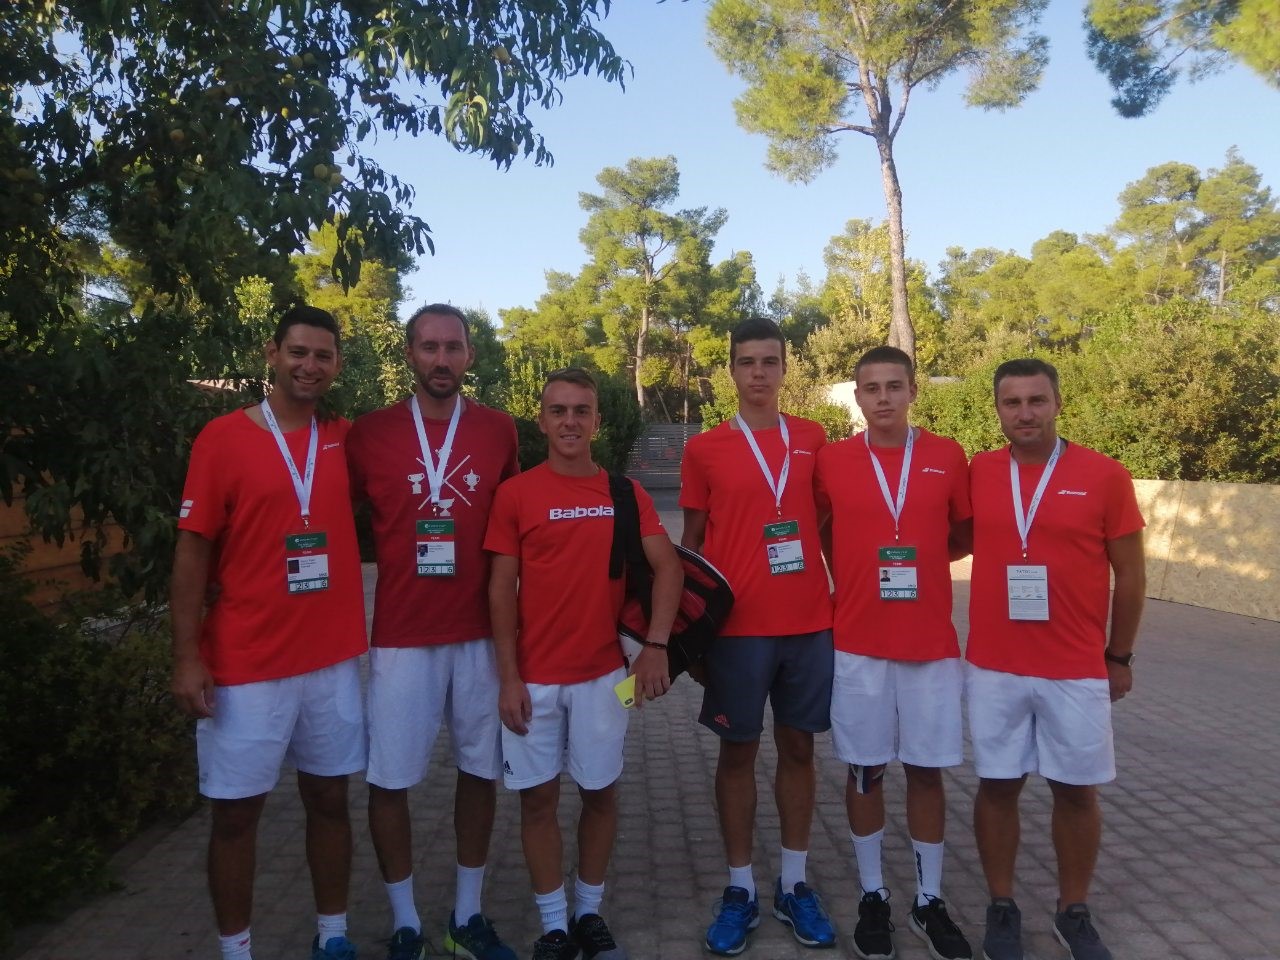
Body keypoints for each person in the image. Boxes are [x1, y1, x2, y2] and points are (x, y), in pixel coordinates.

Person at [170, 305, 368, 960]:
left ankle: (333, 937)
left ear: (337, 365)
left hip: (331, 659)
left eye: (323, 355)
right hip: (246, 661)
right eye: (299, 352)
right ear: (272, 353)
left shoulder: (344, 438)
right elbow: (193, 550)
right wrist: (186, 656)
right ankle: (237, 951)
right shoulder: (222, 438)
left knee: (330, 800)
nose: (310, 365)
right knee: (235, 814)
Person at [484, 367, 683, 960]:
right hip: (533, 682)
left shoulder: (625, 493)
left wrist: (656, 646)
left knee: (600, 795)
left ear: (596, 421)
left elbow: (669, 568)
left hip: (605, 680)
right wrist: (508, 678)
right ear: (541, 421)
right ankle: (553, 925)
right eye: (559, 410)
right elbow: (500, 590)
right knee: (537, 802)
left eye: (581, 411)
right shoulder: (516, 494)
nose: (569, 421)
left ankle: (588, 913)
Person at [346, 304, 521, 960]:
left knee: (480, 771)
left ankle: (466, 916)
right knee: (389, 780)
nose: (441, 359)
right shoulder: (368, 433)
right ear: (409, 354)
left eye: (453, 347)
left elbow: (515, 532)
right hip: (402, 634)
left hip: (481, 634)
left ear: (470, 354)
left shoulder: (500, 429)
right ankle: (405, 924)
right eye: (429, 347)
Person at [966, 358, 1145, 960]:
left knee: (1076, 791)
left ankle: (1074, 912)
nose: (1025, 413)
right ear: (998, 409)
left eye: (1036, 400)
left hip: (1075, 668)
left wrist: (1119, 656)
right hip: (994, 665)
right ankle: (1001, 905)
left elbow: (1131, 575)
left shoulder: (1104, 475)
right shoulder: (979, 472)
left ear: (1058, 403)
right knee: (997, 786)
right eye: (1012, 402)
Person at [680, 317, 836, 956]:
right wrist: (688, 637)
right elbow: (691, 546)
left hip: (809, 625)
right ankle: (740, 888)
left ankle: (794, 883)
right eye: (747, 362)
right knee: (737, 754)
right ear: (731, 370)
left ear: (784, 368)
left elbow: (828, 526)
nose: (759, 373)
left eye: (770, 361)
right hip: (737, 632)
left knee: (799, 751)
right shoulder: (705, 449)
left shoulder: (813, 438)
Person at [814, 346, 974, 960]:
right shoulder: (832, 460)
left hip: (930, 643)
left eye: (894, 386)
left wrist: (918, 553)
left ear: (912, 391)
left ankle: (929, 900)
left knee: (927, 770)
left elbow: (961, 534)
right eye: (871, 388)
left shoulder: (947, 455)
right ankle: (873, 894)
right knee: (865, 769)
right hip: (858, 643)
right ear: (857, 397)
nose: (883, 398)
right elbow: (820, 528)